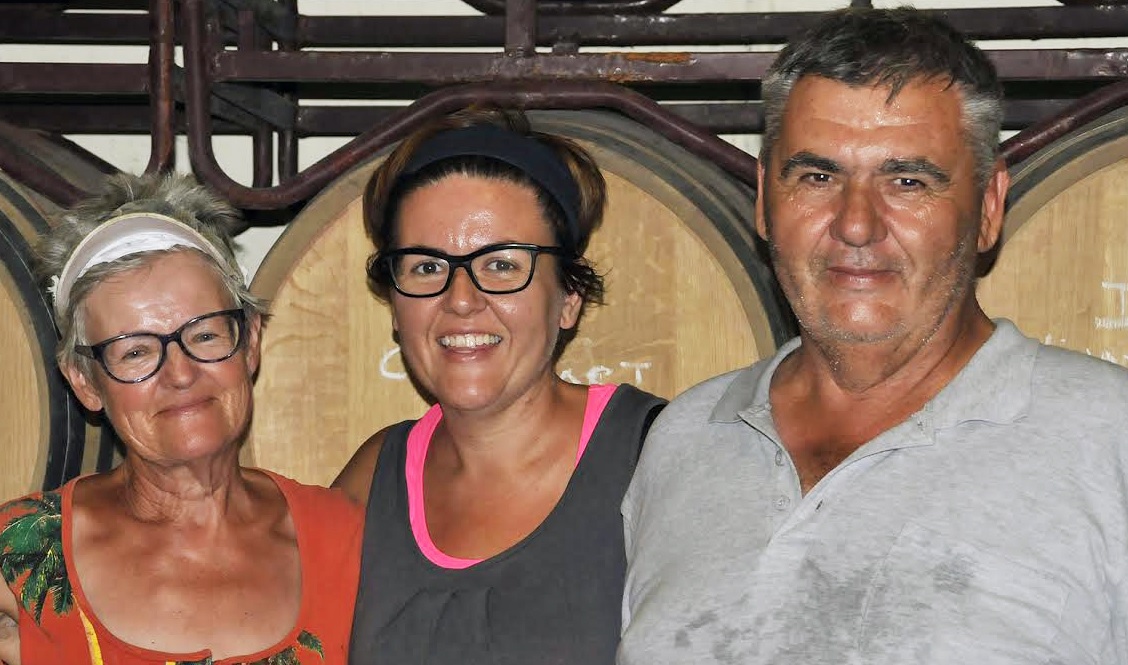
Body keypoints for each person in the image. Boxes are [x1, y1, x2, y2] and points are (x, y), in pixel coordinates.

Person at [619, 7, 1128, 664]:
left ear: (988, 206)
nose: (856, 224)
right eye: (817, 176)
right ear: (764, 200)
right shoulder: (684, 439)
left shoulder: (1107, 436)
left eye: (907, 181)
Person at [332, 107, 666, 665]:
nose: (461, 299)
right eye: (426, 267)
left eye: (503, 265)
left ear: (569, 298)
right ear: (394, 306)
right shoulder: (376, 476)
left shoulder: (655, 453)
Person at [0, 173, 363, 665]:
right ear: (85, 381)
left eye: (205, 335)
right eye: (135, 352)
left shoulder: (346, 536)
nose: (181, 373)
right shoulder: (21, 557)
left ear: (250, 341)